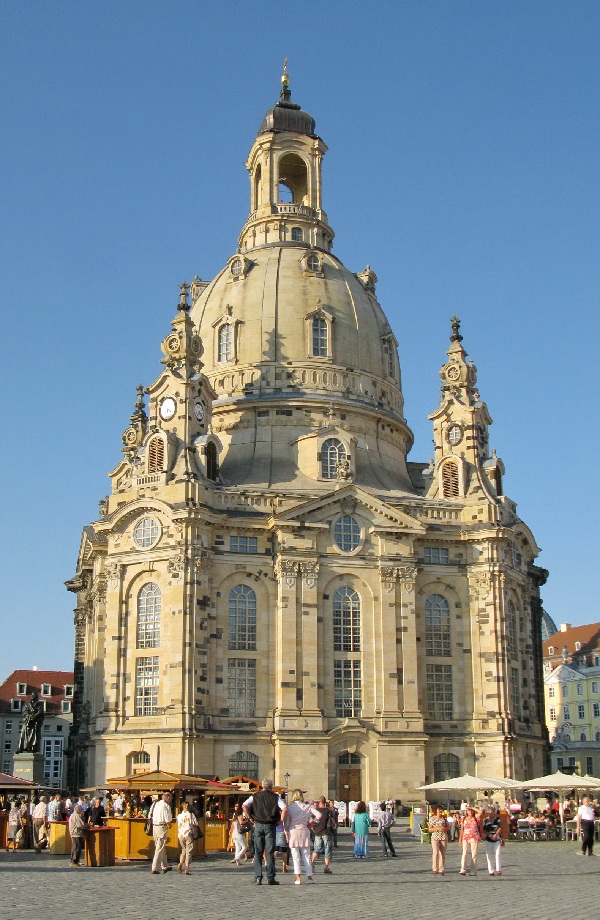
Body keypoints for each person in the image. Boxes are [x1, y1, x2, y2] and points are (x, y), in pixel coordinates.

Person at [243, 778, 286, 886]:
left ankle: (258, 877)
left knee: (258, 851)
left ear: (262, 786)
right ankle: (270, 877)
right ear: (271, 787)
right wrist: (281, 820)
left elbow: (244, 805)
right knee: (270, 852)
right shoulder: (275, 797)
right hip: (270, 825)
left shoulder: (255, 796)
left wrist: (250, 817)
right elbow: (284, 808)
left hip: (258, 825)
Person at [284, 789, 320, 884]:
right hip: (304, 830)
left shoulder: (290, 808)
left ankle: (298, 878)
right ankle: (309, 877)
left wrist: (286, 831)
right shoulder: (307, 806)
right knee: (306, 855)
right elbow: (319, 815)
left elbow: (286, 823)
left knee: (295, 856)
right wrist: (312, 822)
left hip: (293, 831)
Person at [151, 792, 173, 874]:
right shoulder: (166, 806)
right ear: (167, 798)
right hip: (162, 827)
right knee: (159, 848)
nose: (171, 800)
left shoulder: (156, 804)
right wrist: (170, 825)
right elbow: (167, 819)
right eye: (170, 798)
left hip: (155, 827)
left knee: (161, 847)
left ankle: (165, 866)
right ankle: (154, 867)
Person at [311, 795, 334, 874]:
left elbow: (312, 821)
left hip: (317, 832)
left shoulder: (315, 810)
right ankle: (326, 867)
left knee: (317, 848)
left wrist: (313, 829)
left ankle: (312, 862)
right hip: (326, 832)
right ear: (325, 802)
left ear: (319, 802)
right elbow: (332, 821)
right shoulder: (328, 811)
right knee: (328, 849)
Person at [176, 800, 198, 874]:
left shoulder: (179, 816)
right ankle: (187, 868)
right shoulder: (191, 815)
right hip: (188, 833)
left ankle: (180, 863)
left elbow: (178, 825)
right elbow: (195, 824)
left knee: (183, 850)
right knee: (189, 851)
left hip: (180, 835)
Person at [481, 804, 504, 875]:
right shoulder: (485, 820)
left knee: (498, 854)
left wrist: (495, 835)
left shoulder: (497, 819)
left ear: (494, 812)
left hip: (497, 838)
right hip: (488, 839)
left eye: (491, 811)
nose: (490, 813)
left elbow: (500, 828)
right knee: (489, 854)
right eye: (489, 812)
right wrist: (489, 835)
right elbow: (484, 830)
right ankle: (491, 870)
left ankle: (498, 870)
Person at [459, 806, 480, 875]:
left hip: (474, 837)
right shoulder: (464, 819)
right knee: (464, 853)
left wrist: (473, 807)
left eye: (471, 811)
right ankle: (463, 869)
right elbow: (462, 829)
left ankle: (473, 870)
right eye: (468, 810)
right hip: (465, 837)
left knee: (474, 854)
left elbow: (481, 812)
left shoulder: (476, 818)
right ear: (466, 812)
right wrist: (460, 839)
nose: (470, 812)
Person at [428, 804, 448, 874]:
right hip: (435, 836)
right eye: (439, 810)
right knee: (435, 852)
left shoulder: (444, 818)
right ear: (435, 811)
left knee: (442, 854)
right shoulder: (432, 818)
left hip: (443, 836)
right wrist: (437, 829)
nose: (440, 811)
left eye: (441, 810)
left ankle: (441, 869)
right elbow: (430, 829)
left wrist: (444, 828)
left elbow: (447, 827)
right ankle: (434, 868)